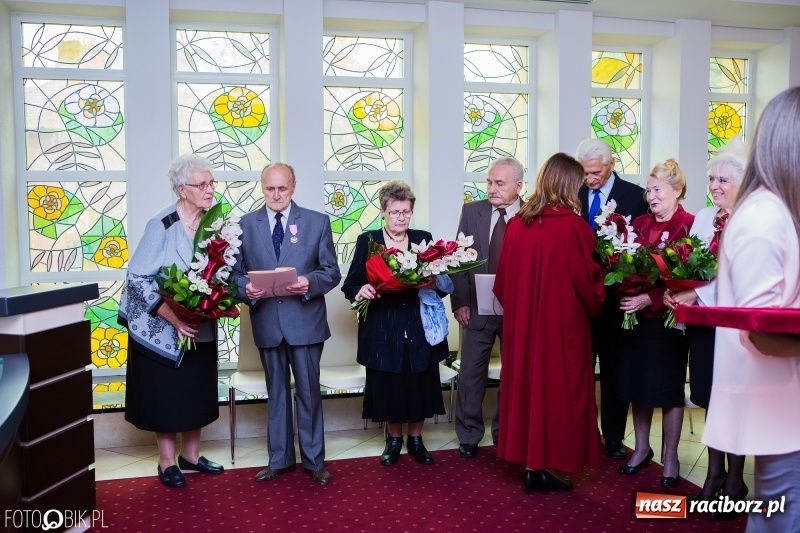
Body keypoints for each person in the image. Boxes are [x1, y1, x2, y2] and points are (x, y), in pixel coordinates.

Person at [703, 86, 800, 532]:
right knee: (783, 511)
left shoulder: (774, 209)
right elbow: (759, 328)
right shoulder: (765, 216)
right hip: (778, 400)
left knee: (775, 512)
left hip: (781, 399)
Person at [493, 153, 606, 494]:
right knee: (560, 396)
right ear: (569, 185)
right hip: (562, 331)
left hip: (523, 330)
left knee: (529, 392)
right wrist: (604, 293)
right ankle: (551, 466)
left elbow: (501, 285)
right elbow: (588, 285)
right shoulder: (573, 227)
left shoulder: (517, 225)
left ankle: (531, 465)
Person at [231, 162, 341, 486]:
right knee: (276, 394)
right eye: (270, 188)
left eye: (282, 188)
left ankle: (314, 462)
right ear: (262, 187)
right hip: (266, 321)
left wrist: (309, 282)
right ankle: (279, 460)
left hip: (305, 322)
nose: (276, 195)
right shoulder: (244, 225)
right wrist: (244, 289)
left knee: (308, 393)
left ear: (293, 187)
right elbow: (233, 274)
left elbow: (331, 271)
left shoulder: (317, 222)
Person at [120, 154, 225, 488]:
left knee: (195, 388)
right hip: (160, 327)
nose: (210, 190)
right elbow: (136, 279)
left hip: (199, 322)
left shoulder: (215, 223)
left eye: (212, 183)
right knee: (165, 393)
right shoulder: (161, 224)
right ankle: (167, 461)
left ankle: (191, 456)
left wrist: (220, 296)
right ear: (182, 189)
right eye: (202, 184)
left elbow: (220, 270)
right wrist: (174, 319)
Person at [663, 137, 748, 515]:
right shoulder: (702, 218)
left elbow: (742, 276)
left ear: (743, 184)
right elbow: (690, 268)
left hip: (737, 327)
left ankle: (736, 477)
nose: (714, 186)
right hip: (704, 327)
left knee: (735, 401)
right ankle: (714, 473)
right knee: (710, 399)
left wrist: (698, 296)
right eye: (711, 179)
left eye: (723, 180)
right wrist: (675, 291)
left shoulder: (750, 220)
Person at [342, 181, 450, 467]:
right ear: (383, 212)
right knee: (389, 384)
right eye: (395, 212)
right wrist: (361, 289)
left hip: (418, 326)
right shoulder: (368, 240)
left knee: (419, 383)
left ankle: (416, 440)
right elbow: (351, 283)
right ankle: (393, 439)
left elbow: (439, 281)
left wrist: (433, 280)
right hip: (382, 326)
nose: (401, 217)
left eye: (406, 212)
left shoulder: (423, 239)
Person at [616, 159, 694, 488]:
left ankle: (671, 456)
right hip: (636, 320)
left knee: (667, 389)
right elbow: (626, 262)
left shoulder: (688, 224)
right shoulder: (641, 223)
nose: (650, 197)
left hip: (668, 320)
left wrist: (649, 297)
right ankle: (642, 448)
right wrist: (625, 285)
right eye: (648, 190)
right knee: (637, 386)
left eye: (657, 190)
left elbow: (690, 277)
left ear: (677, 191)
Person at [575, 138, 649, 461]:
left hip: (618, 301)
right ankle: (583, 434)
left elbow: (642, 249)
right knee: (579, 370)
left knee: (615, 370)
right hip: (580, 299)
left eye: (595, 172)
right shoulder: (574, 194)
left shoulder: (634, 197)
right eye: (585, 172)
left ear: (612, 164)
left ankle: (615, 438)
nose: (589, 178)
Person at [450, 156, 523, 459]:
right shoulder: (472, 211)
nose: (492, 188)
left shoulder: (531, 216)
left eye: (500, 183)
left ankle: (504, 434)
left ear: (519, 186)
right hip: (477, 307)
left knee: (513, 375)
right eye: (490, 182)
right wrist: (461, 302)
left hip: (517, 310)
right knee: (470, 374)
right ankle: (468, 434)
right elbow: (459, 259)